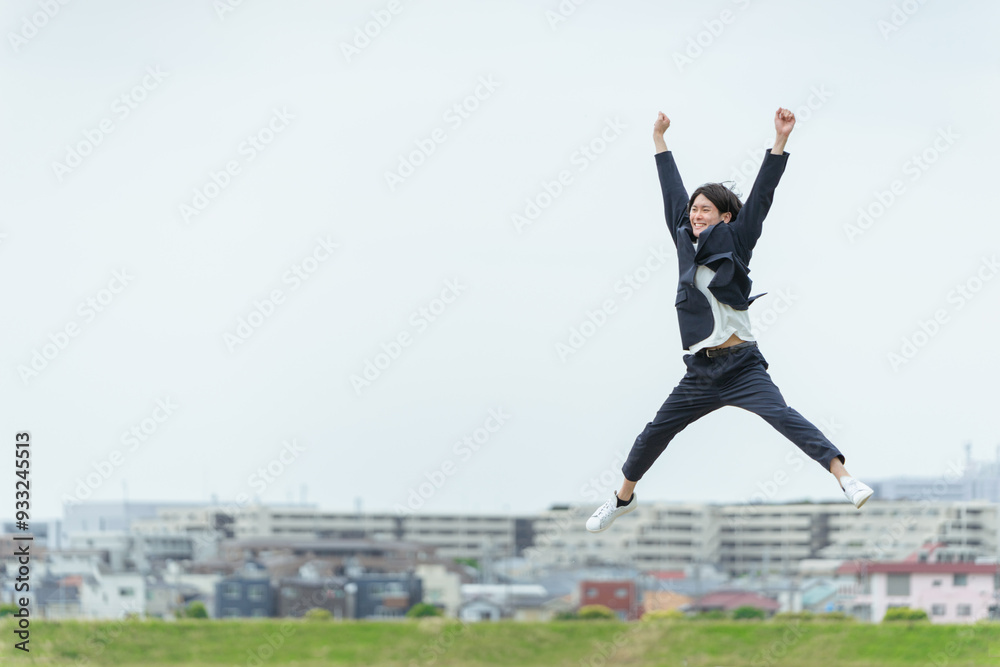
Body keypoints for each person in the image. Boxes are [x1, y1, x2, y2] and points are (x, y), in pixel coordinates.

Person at [585, 108, 873, 533]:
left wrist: (779, 142)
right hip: (700, 371)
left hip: (741, 365)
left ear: (724, 216)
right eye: (694, 209)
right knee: (653, 434)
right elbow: (670, 191)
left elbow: (762, 195)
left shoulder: (738, 239)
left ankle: (845, 480)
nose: (696, 214)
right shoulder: (683, 239)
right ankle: (621, 499)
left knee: (783, 416)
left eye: (705, 210)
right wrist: (659, 140)